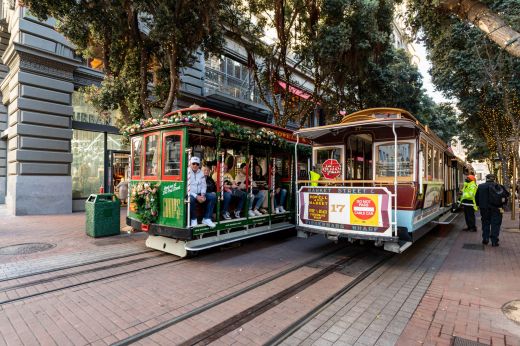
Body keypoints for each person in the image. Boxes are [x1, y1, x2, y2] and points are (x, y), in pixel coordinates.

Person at [475, 174, 508, 246]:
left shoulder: (481, 186)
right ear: (494, 179)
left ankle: (485, 239)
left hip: (484, 208)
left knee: (485, 223)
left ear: (486, 178)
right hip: (497, 208)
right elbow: (505, 196)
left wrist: (478, 205)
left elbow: (476, 198)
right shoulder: (499, 186)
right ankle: (494, 241)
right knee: (495, 224)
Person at [188, 156, 216, 228]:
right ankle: (193, 219)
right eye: (193, 163)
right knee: (191, 199)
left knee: (213, 196)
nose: (195, 165)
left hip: (200, 193)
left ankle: (207, 218)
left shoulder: (201, 173)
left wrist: (203, 194)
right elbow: (187, 188)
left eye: (197, 164)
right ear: (190, 164)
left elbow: (204, 185)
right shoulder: (187, 172)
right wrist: (196, 196)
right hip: (190, 193)